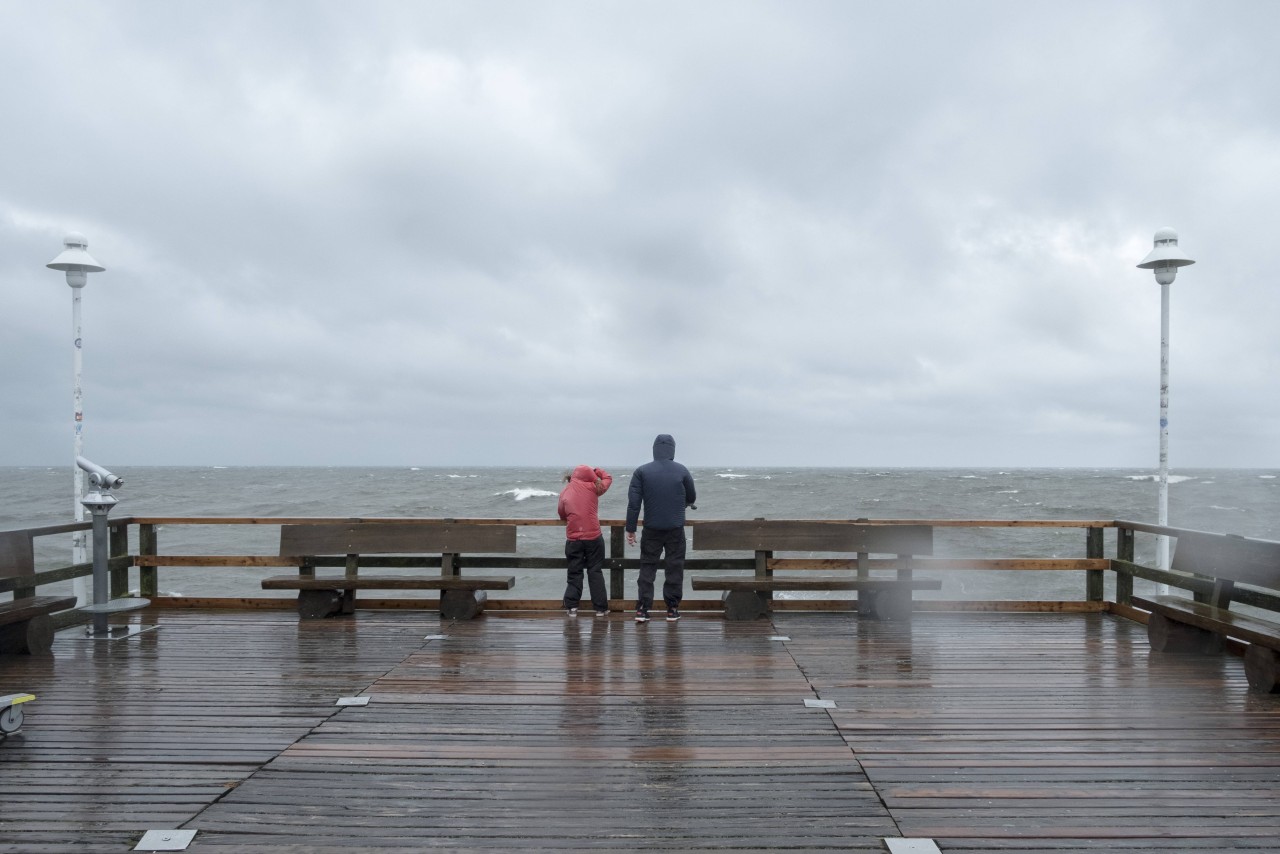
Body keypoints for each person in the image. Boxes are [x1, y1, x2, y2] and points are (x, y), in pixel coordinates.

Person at [625, 434, 696, 623]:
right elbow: (692, 496)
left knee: (647, 568)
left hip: (651, 529)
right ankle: (672, 609)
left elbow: (634, 504)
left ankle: (642, 610)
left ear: (654, 449)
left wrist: (630, 529)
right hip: (675, 528)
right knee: (674, 568)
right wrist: (685, 502)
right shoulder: (682, 470)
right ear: (672, 449)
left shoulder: (641, 471)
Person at [558, 465, 613, 617]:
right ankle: (601, 609)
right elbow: (609, 479)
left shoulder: (565, 492)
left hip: (574, 539)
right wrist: (598, 471)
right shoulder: (594, 488)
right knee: (595, 571)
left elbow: (562, 514)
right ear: (589, 477)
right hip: (594, 537)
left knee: (575, 572)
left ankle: (572, 607)